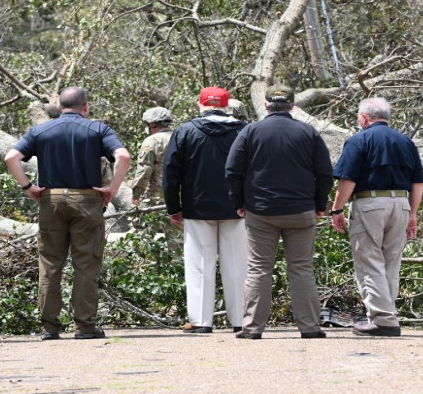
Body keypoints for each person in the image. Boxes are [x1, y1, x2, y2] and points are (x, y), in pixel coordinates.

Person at [4, 87, 131, 340]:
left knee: (50, 264)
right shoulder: (98, 129)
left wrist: (28, 187)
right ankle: (84, 327)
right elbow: (123, 156)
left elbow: (11, 157)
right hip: (86, 199)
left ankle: (49, 327)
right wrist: (112, 188)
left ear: (59, 107)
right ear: (85, 106)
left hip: (51, 199)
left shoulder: (41, 130)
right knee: (86, 264)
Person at [225, 85, 334, 340]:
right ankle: (309, 327)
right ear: (292, 105)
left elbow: (232, 170)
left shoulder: (250, 131)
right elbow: (325, 173)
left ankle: (252, 328)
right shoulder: (308, 132)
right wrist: (320, 204)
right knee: (301, 268)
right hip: (301, 210)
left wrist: (238, 202)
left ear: (265, 105)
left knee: (259, 268)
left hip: (261, 211)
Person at [328, 98, 423, 337]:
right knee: (391, 262)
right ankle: (385, 314)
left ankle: (384, 320)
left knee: (369, 261)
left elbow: (348, 180)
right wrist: (412, 214)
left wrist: (337, 209)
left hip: (370, 202)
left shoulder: (358, 140)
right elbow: (418, 183)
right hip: (401, 203)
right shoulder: (406, 141)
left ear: (364, 117)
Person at [163, 87, 248, 334]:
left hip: (196, 207)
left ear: (200, 105)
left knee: (199, 265)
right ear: (226, 105)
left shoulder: (185, 131)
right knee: (237, 266)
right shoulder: (243, 131)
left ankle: (201, 321)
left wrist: (173, 207)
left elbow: (171, 173)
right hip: (237, 207)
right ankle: (241, 320)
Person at [130, 107, 173, 206]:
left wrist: (136, 194)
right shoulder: (181, 137)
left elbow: (144, 170)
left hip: (157, 198)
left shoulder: (152, 141)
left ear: (152, 124)